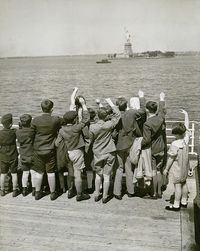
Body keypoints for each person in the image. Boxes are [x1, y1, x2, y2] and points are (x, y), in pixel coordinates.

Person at [55, 97, 91, 202]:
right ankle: (80, 194)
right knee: (77, 173)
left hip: (68, 153)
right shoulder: (76, 128)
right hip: (77, 152)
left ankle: (70, 190)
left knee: (71, 173)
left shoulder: (62, 130)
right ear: (75, 120)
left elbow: (57, 143)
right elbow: (86, 119)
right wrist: (84, 105)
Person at [113, 91, 145, 200]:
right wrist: (141, 98)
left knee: (118, 169)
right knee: (129, 168)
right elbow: (142, 111)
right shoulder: (131, 113)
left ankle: (117, 193)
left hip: (118, 146)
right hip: (129, 144)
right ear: (126, 105)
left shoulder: (115, 116)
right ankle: (130, 191)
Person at [89, 98, 121, 203]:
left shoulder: (92, 127)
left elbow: (91, 139)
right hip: (110, 151)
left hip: (98, 152)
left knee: (98, 174)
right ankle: (105, 197)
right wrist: (111, 103)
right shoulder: (109, 124)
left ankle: (97, 194)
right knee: (107, 175)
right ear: (107, 116)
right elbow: (117, 115)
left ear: (98, 116)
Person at [31, 99, 62, 200]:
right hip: (50, 149)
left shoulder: (35, 120)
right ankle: (53, 193)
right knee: (51, 172)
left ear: (41, 108)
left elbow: (31, 135)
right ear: (52, 109)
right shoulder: (55, 119)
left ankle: (37, 192)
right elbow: (65, 121)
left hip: (38, 149)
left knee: (39, 172)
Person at [164, 109, 191, 211]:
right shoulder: (186, 140)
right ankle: (184, 201)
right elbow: (187, 127)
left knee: (177, 186)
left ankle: (176, 205)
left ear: (175, 134)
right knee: (184, 183)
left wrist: (166, 169)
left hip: (177, 169)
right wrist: (186, 115)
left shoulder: (175, 144)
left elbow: (171, 158)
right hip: (185, 167)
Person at [141, 92, 166, 199]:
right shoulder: (161, 118)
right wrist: (161, 99)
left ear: (147, 110)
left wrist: (138, 144)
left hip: (153, 149)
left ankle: (154, 193)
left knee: (154, 171)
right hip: (162, 147)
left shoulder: (147, 124)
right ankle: (160, 192)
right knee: (159, 170)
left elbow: (146, 140)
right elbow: (161, 110)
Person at [16, 114, 36, 196]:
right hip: (32, 154)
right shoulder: (32, 131)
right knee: (33, 172)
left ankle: (24, 189)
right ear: (30, 122)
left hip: (23, 155)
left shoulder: (18, 132)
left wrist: (20, 127)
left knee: (25, 172)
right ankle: (34, 189)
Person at [0, 113, 19, 197]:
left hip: (3, 155)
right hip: (13, 155)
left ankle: (2, 190)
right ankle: (15, 190)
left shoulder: (0, 133)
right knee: (14, 173)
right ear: (11, 124)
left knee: (3, 174)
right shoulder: (14, 132)